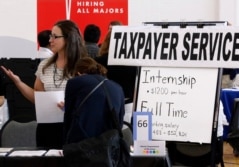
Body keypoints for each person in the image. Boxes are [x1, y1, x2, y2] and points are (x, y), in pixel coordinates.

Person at [1, 19, 87, 149]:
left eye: (55, 36)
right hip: (47, 127)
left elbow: (91, 101)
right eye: (50, 36)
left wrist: (73, 105)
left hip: (75, 127)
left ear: (69, 39)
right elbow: (37, 97)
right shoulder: (45, 66)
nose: (50, 40)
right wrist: (18, 82)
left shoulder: (83, 67)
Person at [63, 57, 125, 144]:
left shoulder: (75, 82)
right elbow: (119, 121)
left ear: (78, 73)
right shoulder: (117, 87)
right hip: (108, 145)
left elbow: (68, 117)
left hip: (82, 143)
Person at [95, 30, 137, 103]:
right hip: (128, 102)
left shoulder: (98, 61)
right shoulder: (133, 63)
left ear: (107, 42)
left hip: (104, 102)